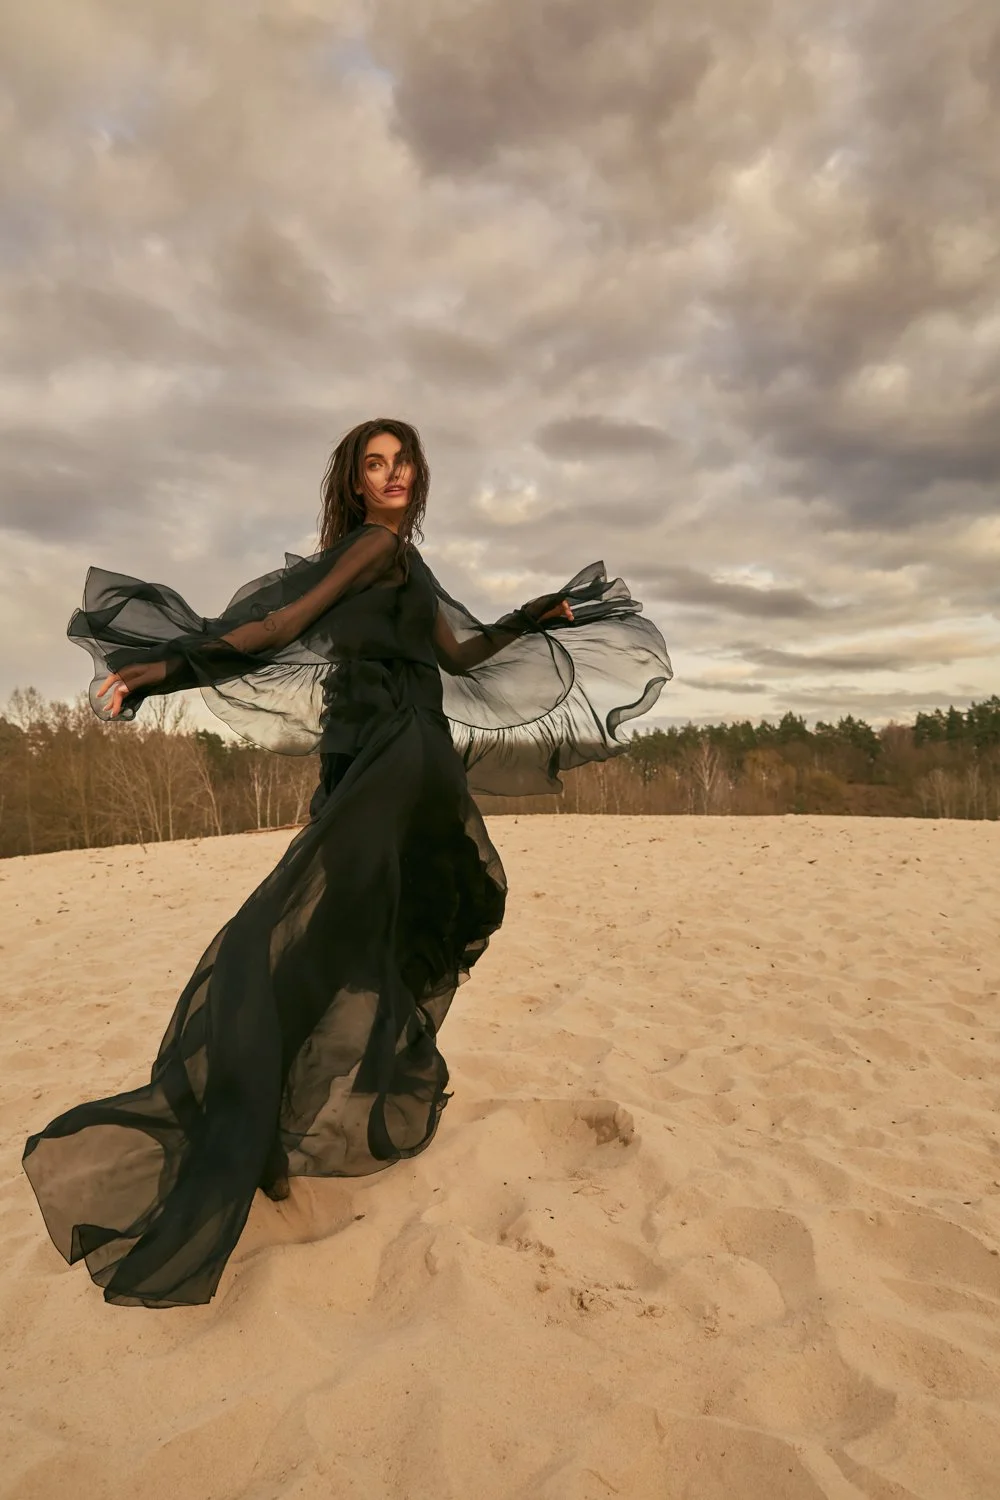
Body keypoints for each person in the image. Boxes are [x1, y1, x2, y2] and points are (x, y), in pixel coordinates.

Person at [21, 418, 672, 1308]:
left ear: (418, 475)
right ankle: (278, 1133)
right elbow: (272, 628)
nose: (393, 475)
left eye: (404, 462)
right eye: (377, 464)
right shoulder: (368, 549)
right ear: (357, 482)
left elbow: (462, 653)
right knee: (329, 938)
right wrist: (156, 672)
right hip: (371, 759)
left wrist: (537, 616)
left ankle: (259, 1135)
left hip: (401, 755)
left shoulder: (398, 558)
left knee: (275, 943)